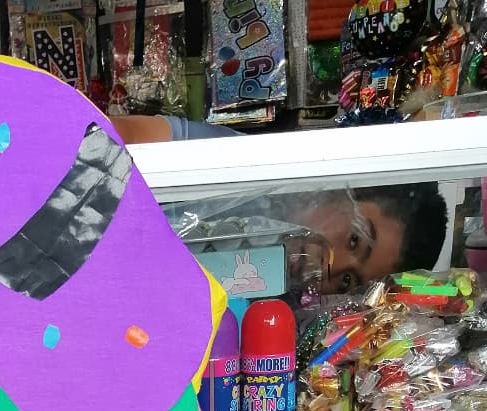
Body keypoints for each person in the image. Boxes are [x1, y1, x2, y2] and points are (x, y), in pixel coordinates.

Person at [113, 114, 450, 292]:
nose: (332, 267)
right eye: (354, 240)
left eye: (348, 281)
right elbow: (107, 134)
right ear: (346, 189)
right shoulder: (243, 164)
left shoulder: (270, 312)